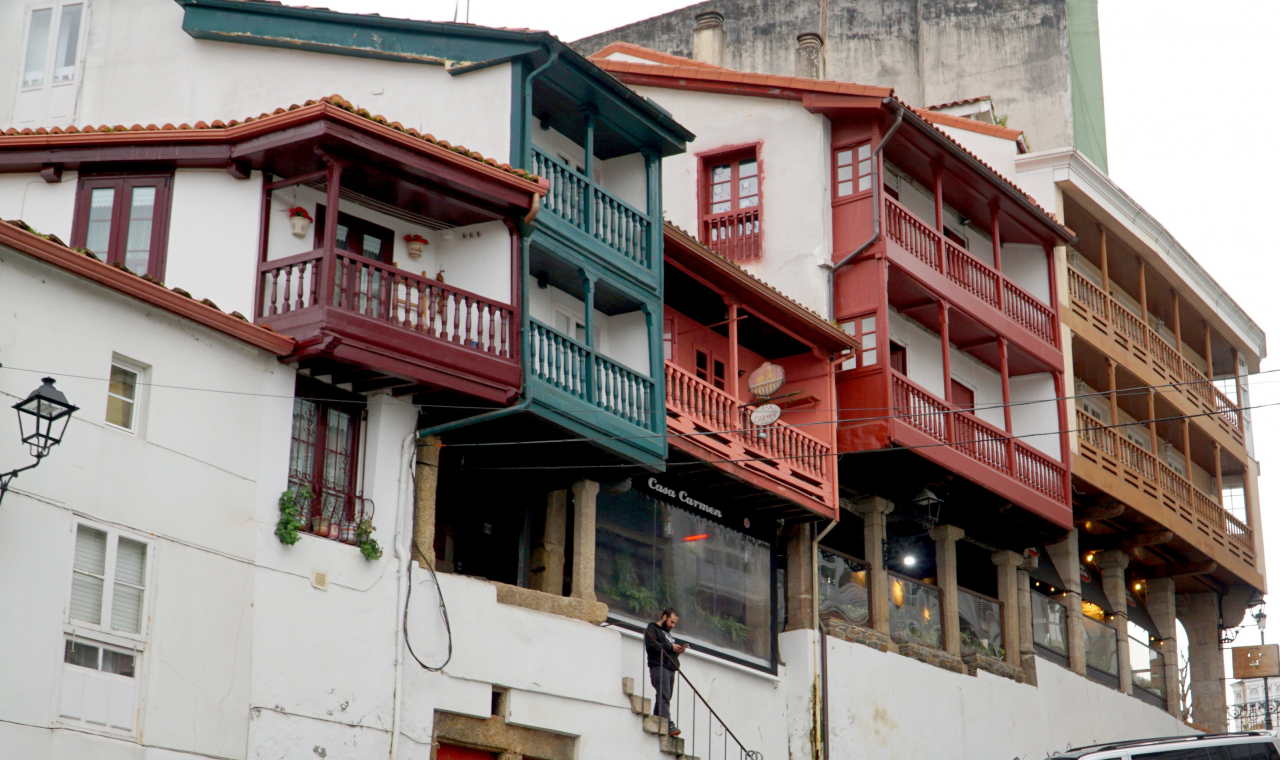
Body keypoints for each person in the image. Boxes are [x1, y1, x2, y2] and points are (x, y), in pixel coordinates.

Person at [644, 608, 687, 737]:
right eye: (671, 622)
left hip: (670, 668)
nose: (672, 625)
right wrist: (670, 647)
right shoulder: (652, 629)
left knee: (665, 696)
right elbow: (652, 646)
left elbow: (666, 650)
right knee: (664, 695)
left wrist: (677, 650)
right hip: (659, 666)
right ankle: (668, 723)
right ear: (664, 617)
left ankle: (657, 718)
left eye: (675, 623)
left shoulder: (668, 635)